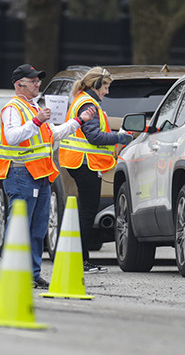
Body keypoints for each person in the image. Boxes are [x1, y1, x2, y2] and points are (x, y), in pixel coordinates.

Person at [0, 64, 96, 289]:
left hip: (39, 174)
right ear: (18, 84)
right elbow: (12, 137)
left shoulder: (33, 108)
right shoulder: (13, 108)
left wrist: (79, 121)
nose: (37, 84)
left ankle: (32, 273)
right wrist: (37, 121)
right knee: (21, 224)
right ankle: (15, 272)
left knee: (39, 227)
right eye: (32, 81)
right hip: (21, 172)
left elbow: (54, 134)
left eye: (38, 80)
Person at [59, 67, 132, 274]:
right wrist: (119, 137)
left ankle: (80, 259)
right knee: (87, 212)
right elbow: (94, 137)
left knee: (85, 211)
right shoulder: (88, 103)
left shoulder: (82, 99)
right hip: (84, 163)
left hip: (80, 163)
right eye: (106, 87)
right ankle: (82, 261)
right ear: (96, 84)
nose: (107, 92)